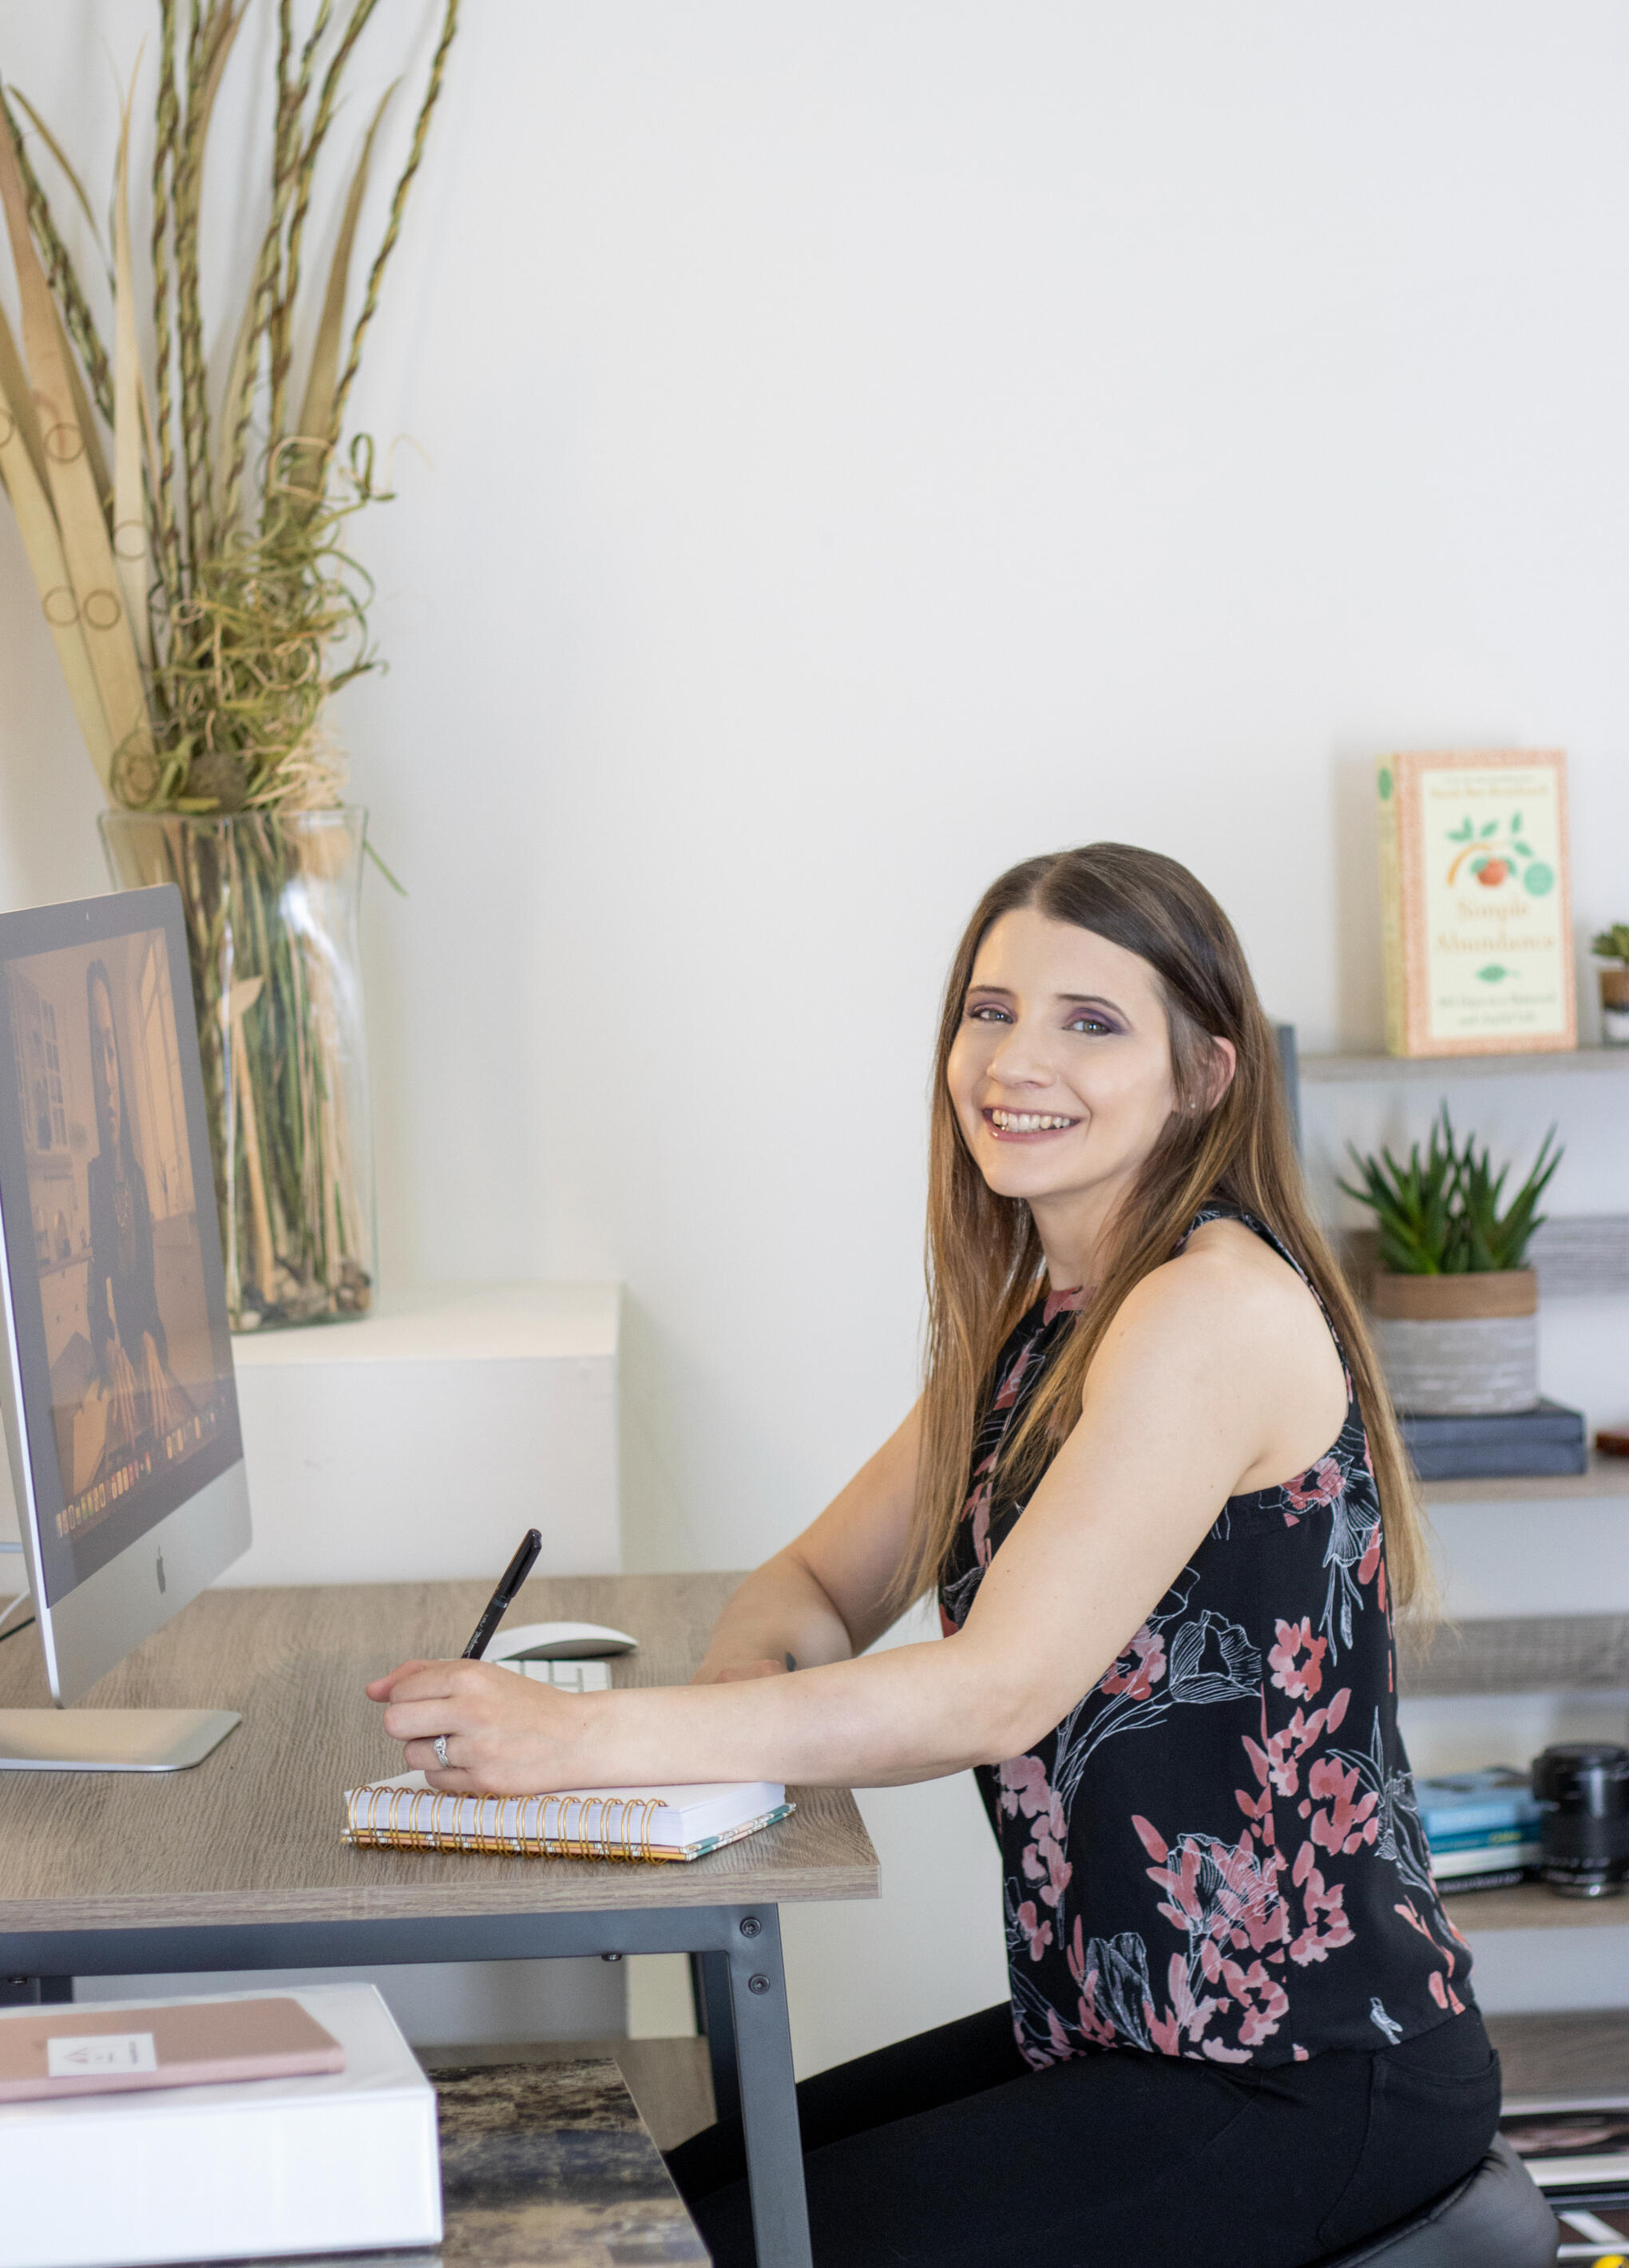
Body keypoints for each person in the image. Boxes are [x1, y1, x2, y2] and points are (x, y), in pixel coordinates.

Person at [367, 844, 1500, 2268]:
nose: (1017, 1059)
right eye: (991, 1009)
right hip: (1120, 2029)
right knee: (664, 2207)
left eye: (1092, 1022)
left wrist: (578, 1742)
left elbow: (990, 1693)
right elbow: (815, 1586)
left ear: (1205, 1075)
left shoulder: (1209, 1312)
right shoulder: (1045, 1319)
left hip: (1304, 2070)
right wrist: (732, 1722)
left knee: (681, 2251)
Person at [84, 958, 192, 1479]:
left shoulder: (142, 1177)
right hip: (116, 1347)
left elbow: (145, 1287)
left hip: (143, 1337)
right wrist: (105, 1341)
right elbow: (93, 1286)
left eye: (111, 1051)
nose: (106, 1080)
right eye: (93, 1054)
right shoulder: (94, 1177)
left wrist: (148, 1337)